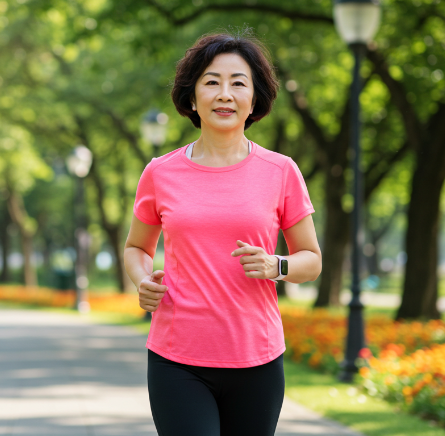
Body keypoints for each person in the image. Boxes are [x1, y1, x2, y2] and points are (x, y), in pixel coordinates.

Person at [124, 31, 322, 436]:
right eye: (212, 82)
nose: (225, 94)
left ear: (254, 99)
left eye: (238, 83)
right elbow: (135, 248)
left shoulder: (281, 171)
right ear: (192, 98)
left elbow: (311, 260)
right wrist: (143, 279)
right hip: (177, 359)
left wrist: (276, 264)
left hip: (258, 359)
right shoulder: (160, 173)